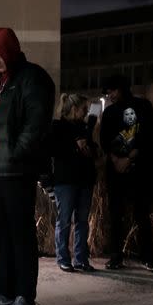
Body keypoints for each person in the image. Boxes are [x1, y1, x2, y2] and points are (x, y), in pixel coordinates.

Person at [0, 28, 55, 305]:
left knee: (21, 235)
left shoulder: (33, 78)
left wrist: (18, 153)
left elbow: (36, 124)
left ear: (10, 49)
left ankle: (24, 297)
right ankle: (4, 291)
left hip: (17, 171)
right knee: (2, 235)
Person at [99, 75, 153, 272]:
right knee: (116, 215)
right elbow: (104, 139)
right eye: (108, 92)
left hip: (139, 170)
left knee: (141, 214)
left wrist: (130, 158)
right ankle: (116, 257)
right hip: (115, 171)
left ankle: (148, 258)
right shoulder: (109, 112)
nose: (110, 95)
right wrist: (116, 160)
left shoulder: (143, 106)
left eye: (113, 90)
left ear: (122, 88)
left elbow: (149, 135)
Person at [48, 93, 98, 273]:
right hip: (66, 180)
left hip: (85, 179)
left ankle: (81, 259)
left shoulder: (85, 127)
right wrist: (74, 146)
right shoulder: (58, 126)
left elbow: (93, 150)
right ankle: (63, 258)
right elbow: (53, 150)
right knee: (65, 220)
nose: (86, 112)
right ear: (74, 109)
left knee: (82, 221)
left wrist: (89, 149)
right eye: (83, 109)